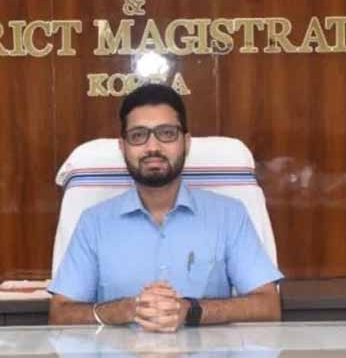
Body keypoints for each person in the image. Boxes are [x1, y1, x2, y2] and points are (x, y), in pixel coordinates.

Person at [48, 84, 283, 332]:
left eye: (167, 133)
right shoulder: (93, 222)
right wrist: (124, 310)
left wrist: (190, 310)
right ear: (122, 147)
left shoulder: (229, 215)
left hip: (206, 357)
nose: (153, 147)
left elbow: (268, 306)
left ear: (187, 143)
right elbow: (60, 313)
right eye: (138, 135)